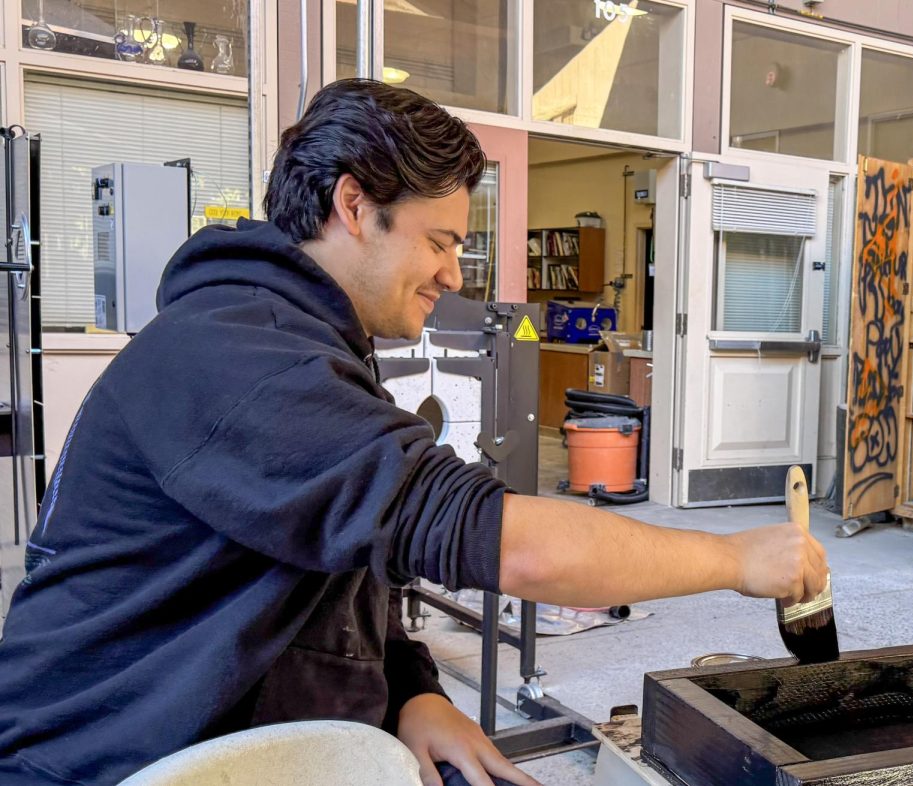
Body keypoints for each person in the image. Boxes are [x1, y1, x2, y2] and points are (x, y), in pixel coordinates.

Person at [0, 80, 829, 786]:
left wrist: (411, 691)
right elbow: (510, 546)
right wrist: (736, 561)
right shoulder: (238, 357)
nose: (451, 274)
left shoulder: (304, 342)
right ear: (353, 204)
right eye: (438, 242)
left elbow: (336, 562)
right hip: (108, 764)